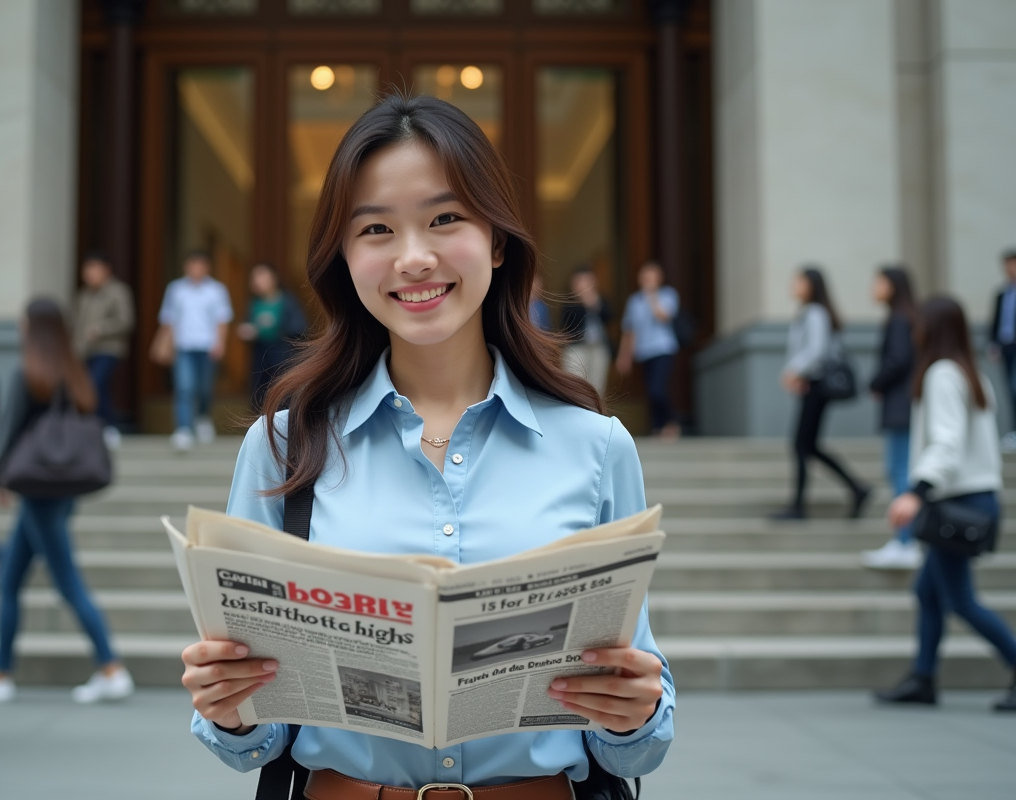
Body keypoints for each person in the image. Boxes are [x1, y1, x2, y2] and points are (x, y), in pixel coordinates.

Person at [180, 94, 673, 797]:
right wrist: (228, 710)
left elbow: (632, 745)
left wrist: (635, 714)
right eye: (376, 229)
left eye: (445, 219)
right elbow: (252, 744)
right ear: (345, 258)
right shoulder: (285, 445)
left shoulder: (596, 447)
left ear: (497, 241)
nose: (414, 258)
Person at [0, 298, 133, 704]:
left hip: (35, 487)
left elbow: (9, 429)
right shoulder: (74, 372)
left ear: (32, 327)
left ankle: (111, 667)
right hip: (62, 487)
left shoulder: (28, 372)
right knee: (9, 577)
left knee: (67, 580)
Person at [875, 296, 1016, 712]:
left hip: (957, 502)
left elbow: (948, 442)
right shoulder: (971, 374)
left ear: (931, 328)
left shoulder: (941, 374)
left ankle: (928, 677)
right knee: (929, 592)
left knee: (960, 600)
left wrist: (916, 492)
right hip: (975, 499)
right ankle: (923, 677)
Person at [770, 266, 871, 520]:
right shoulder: (811, 312)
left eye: (799, 282)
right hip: (812, 384)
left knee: (802, 445)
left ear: (812, 285)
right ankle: (856, 488)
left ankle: (799, 506)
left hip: (817, 386)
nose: (794, 286)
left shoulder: (815, 313)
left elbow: (817, 349)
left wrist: (794, 371)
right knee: (808, 446)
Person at [862, 266, 921, 569]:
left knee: (899, 471)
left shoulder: (899, 319)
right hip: (906, 405)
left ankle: (905, 541)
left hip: (900, 406)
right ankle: (905, 540)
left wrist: (876, 382)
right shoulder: (907, 317)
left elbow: (897, 360)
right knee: (901, 470)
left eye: (879, 282)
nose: (874, 287)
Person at [158, 251, 233, 451]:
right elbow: (168, 318)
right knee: (184, 387)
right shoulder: (175, 289)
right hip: (183, 346)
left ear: (207, 268)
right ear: (186, 267)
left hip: (207, 346)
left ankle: (202, 417)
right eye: (193, 265)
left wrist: (220, 343)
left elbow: (222, 319)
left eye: (200, 265)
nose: (196, 269)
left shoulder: (217, 290)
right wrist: (166, 344)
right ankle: (184, 428)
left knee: (204, 388)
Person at [73, 250, 134, 450]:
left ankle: (106, 426)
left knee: (95, 384)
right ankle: (105, 426)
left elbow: (125, 321)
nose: (90, 273)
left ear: (106, 270)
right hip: (85, 351)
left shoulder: (118, 291)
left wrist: (100, 329)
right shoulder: (84, 295)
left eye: (94, 268)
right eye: (87, 268)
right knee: (99, 389)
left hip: (109, 348)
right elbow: (77, 326)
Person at [615, 261, 680, 439]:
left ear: (659, 279)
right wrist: (624, 356)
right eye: (644, 277)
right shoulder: (634, 301)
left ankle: (671, 421)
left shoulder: (668, 295)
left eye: (651, 277)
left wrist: (651, 296)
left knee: (657, 389)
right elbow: (629, 331)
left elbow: (663, 316)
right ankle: (658, 427)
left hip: (663, 348)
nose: (647, 280)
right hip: (643, 352)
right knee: (650, 391)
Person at [235, 262, 307, 413]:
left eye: (262, 276)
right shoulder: (254, 303)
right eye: (254, 277)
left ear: (274, 278)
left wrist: (273, 327)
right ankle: (259, 430)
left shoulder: (287, 301)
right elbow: (249, 326)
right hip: (259, 355)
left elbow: (299, 328)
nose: (257, 281)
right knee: (259, 393)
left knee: (283, 394)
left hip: (282, 355)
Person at [559, 265, 613, 400]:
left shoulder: (600, 300)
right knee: (576, 388)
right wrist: (583, 303)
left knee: (597, 388)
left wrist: (595, 304)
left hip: (598, 347)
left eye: (588, 280)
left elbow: (609, 317)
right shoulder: (568, 302)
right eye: (581, 281)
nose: (585, 285)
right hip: (576, 348)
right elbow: (568, 323)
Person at [987, 248, 1016, 451]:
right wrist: (993, 344)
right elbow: (995, 321)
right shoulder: (1002, 293)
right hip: (1006, 346)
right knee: (1009, 389)